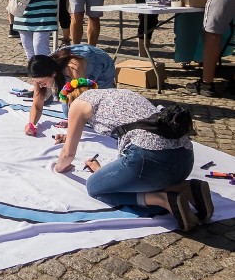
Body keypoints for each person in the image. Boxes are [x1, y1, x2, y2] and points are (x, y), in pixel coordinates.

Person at [53, 80, 211, 233]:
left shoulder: (78, 104)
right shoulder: (119, 94)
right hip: (184, 160)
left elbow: (68, 154)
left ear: (69, 100)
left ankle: (163, 199)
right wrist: (101, 171)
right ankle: (185, 187)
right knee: (126, 178)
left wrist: (59, 167)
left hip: (152, 162)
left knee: (94, 188)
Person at [25, 45, 115, 136]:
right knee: (67, 110)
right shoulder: (38, 73)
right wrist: (31, 124)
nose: (41, 85)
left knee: (95, 109)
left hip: (101, 66)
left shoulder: (73, 67)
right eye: (37, 82)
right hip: (72, 70)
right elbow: (37, 104)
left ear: (53, 74)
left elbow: (82, 100)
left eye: (42, 82)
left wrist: (70, 133)